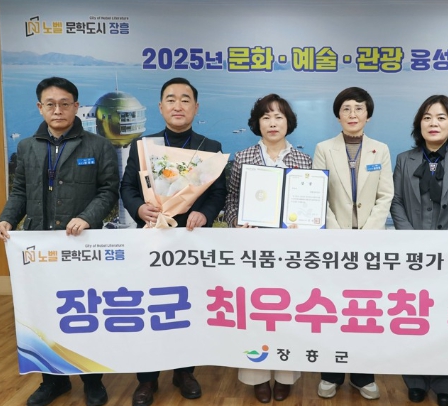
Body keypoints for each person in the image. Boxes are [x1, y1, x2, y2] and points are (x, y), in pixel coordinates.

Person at [0, 77, 118, 406]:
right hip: (39, 248)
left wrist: (87, 217)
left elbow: (109, 190)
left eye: (65, 104)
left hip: (81, 246)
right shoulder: (27, 147)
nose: (58, 110)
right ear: (40, 108)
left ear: (76, 107)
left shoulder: (98, 146)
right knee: (43, 315)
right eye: (50, 104)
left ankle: (92, 380)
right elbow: (20, 192)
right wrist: (7, 218)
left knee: (85, 313)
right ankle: (53, 381)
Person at [120, 77, 227, 406]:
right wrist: (139, 208)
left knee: (188, 306)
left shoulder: (210, 147)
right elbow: (128, 188)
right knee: (151, 307)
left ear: (196, 107)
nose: (178, 105)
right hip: (153, 238)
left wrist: (205, 214)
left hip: (191, 242)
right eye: (171, 99)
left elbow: (218, 192)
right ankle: (147, 379)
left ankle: (184, 372)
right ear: (160, 107)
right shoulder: (144, 145)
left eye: (185, 99)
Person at [390, 95, 448, 406]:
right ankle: (415, 380)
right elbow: (396, 201)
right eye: (427, 117)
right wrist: (412, 240)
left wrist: (447, 242)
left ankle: (446, 384)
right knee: (413, 315)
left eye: (441, 118)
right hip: (412, 254)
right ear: (419, 124)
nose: (433, 123)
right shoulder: (405, 159)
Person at [224, 94, 310, 402]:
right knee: (256, 312)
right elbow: (231, 199)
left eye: (279, 117)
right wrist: (236, 223)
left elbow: (310, 203)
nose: (273, 123)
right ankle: (257, 376)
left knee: (288, 312)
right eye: (266, 117)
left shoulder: (303, 159)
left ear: (289, 123)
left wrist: (306, 225)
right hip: (253, 250)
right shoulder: (243, 157)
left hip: (289, 252)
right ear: (257, 123)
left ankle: (286, 374)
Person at [312, 87, 394, 400]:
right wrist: (339, 234)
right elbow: (319, 194)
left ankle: (363, 376)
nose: (352, 114)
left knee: (365, 310)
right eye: (346, 108)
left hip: (370, 244)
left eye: (359, 108)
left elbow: (385, 195)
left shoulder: (380, 149)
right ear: (338, 115)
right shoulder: (324, 148)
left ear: (368, 115)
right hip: (334, 242)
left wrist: (367, 234)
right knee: (333, 309)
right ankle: (330, 374)